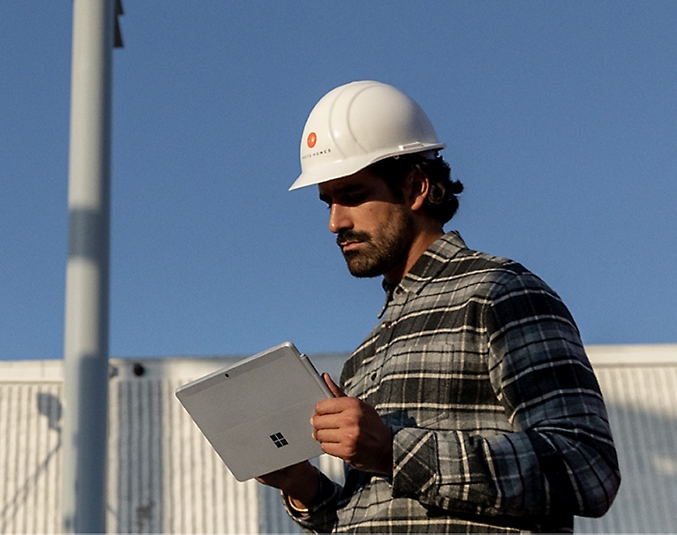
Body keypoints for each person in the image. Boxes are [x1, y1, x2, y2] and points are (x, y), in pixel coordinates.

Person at [256, 81, 620, 533]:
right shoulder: (364, 358)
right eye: (328, 201)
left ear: (415, 187)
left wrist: (394, 451)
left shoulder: (499, 293)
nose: (335, 222)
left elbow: (588, 469)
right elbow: (384, 516)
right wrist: (305, 486)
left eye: (352, 195)